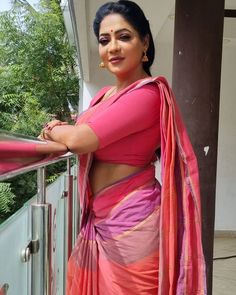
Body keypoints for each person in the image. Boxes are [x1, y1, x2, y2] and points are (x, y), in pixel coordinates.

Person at [39, 1, 206, 294]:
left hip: (134, 225)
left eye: (124, 37)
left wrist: (53, 128)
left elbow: (79, 140)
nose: (113, 47)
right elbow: (78, 134)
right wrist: (67, 132)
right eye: (105, 40)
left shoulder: (149, 94)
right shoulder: (103, 95)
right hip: (97, 218)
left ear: (145, 43)